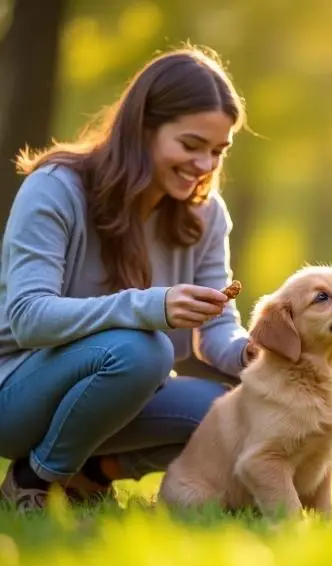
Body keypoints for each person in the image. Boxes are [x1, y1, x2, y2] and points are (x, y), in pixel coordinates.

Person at [0, 45, 258, 511]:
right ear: (142, 129)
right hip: (16, 393)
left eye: (218, 151)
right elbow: (27, 317)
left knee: (238, 416)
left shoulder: (206, 215)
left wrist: (252, 353)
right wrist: (151, 306)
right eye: (191, 145)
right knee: (144, 347)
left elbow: (217, 328)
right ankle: (33, 480)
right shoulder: (56, 188)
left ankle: (88, 476)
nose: (205, 166)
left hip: (122, 398)